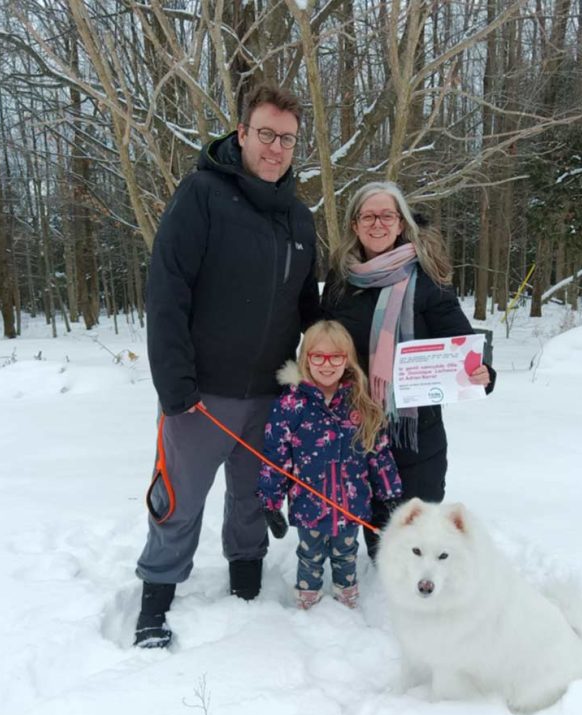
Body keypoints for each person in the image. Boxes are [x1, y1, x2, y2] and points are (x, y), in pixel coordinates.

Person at [135, 83, 320, 649]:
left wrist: (314, 380)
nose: (275, 148)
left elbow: (308, 311)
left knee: (253, 497)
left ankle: (246, 588)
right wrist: (175, 385)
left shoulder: (299, 218)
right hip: (200, 393)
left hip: (269, 394)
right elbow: (168, 291)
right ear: (241, 134)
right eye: (265, 134)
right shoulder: (201, 195)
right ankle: (155, 602)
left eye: (287, 139)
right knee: (180, 499)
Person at [321, 181, 496, 558]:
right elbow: (322, 339)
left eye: (387, 215)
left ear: (401, 223)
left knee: (419, 521)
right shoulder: (340, 280)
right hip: (355, 421)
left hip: (416, 427)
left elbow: (460, 341)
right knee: (371, 524)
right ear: (354, 224)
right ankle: (375, 587)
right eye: (368, 216)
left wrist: (482, 370)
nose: (378, 223)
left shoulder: (426, 275)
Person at [256, 320, 404, 609]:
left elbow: (378, 450)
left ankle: (346, 600)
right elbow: (276, 457)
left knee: (346, 553)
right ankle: (307, 602)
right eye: (318, 357)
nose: (327, 365)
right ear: (306, 358)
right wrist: (270, 501)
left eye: (336, 357)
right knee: (310, 555)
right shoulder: (291, 405)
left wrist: (390, 494)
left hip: (352, 504)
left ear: (347, 359)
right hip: (310, 505)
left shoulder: (360, 401)